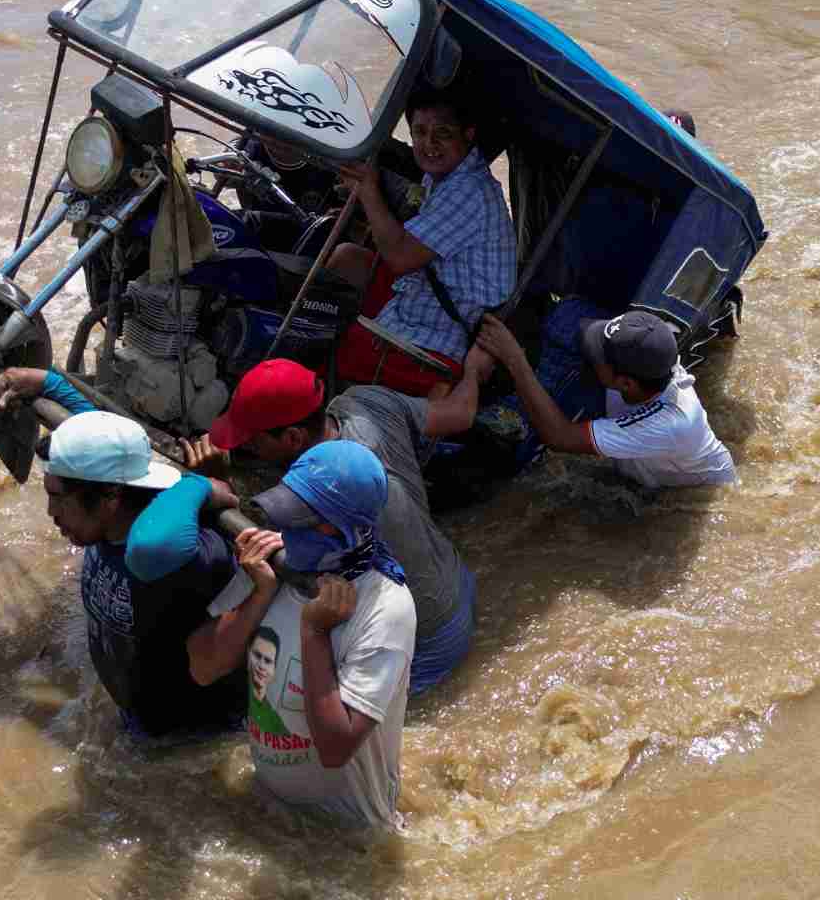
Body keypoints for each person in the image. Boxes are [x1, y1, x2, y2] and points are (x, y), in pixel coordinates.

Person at [186, 358, 476, 692]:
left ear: (294, 437)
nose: (243, 446)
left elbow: (209, 662)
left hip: (426, 643)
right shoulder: (366, 403)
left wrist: (220, 487)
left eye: (252, 440)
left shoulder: (331, 511)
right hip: (456, 582)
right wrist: (473, 367)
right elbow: (461, 413)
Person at [187, 440, 415, 830]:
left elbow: (334, 747)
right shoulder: (275, 565)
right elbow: (202, 668)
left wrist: (314, 632)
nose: (287, 531)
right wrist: (258, 593)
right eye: (286, 514)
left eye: (304, 521)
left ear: (349, 530)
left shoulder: (385, 608)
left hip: (346, 837)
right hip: (268, 808)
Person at [39, 410, 253, 739]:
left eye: (57, 498)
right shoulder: (104, 525)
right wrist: (46, 382)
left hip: (189, 738)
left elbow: (150, 548)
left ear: (110, 497)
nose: (51, 513)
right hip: (136, 714)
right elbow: (101, 432)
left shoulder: (184, 557)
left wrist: (199, 485)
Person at [325, 87, 516, 394]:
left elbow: (400, 257)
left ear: (468, 134)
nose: (429, 144)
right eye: (420, 132)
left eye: (443, 133)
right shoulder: (445, 176)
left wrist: (368, 190)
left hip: (437, 326)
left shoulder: (468, 191)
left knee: (326, 341)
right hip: (429, 286)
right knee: (346, 258)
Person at [462, 309, 737, 490]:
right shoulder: (654, 364)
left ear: (625, 383)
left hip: (694, 492)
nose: (591, 355)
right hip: (653, 471)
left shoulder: (669, 423)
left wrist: (514, 360)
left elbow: (560, 438)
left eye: (599, 357)